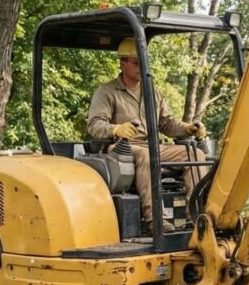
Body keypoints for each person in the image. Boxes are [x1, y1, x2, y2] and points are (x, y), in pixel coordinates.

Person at [87, 37, 206, 234]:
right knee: (145, 155)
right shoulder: (107, 92)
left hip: (152, 146)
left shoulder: (152, 93)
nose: (141, 67)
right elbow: (94, 125)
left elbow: (167, 124)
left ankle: (195, 217)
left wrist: (188, 129)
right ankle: (156, 221)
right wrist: (116, 129)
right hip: (120, 148)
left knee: (195, 154)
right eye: (136, 63)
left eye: (143, 62)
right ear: (122, 62)